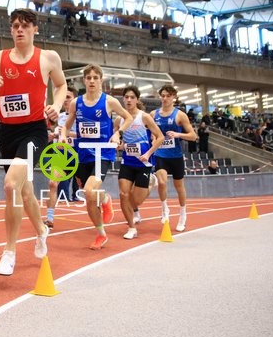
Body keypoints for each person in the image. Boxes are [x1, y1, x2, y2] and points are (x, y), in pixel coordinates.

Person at [0, 8, 67, 275]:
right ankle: (41, 230)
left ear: (35, 29)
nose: (18, 30)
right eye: (15, 26)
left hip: (34, 131)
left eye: (24, 26)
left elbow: (61, 85)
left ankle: (9, 252)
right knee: (25, 191)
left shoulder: (48, 57)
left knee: (10, 184)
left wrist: (56, 106)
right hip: (8, 132)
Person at [62, 64, 132, 250]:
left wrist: (118, 133)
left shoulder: (109, 101)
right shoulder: (76, 103)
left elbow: (128, 118)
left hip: (103, 152)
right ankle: (102, 229)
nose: (92, 81)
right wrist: (62, 135)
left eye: (95, 78)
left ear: (101, 80)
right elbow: (66, 126)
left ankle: (103, 218)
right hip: (83, 153)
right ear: (84, 81)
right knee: (90, 196)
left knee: (88, 190)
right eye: (88, 78)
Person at [117, 86, 164, 240]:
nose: (129, 100)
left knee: (135, 201)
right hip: (127, 162)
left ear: (137, 99)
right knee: (123, 195)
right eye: (126, 97)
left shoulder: (144, 117)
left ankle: (151, 181)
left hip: (144, 163)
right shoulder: (119, 119)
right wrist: (119, 145)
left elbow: (160, 137)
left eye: (132, 97)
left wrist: (148, 153)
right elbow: (117, 138)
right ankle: (131, 227)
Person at [151, 85, 198, 232]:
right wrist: (153, 139)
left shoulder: (180, 115)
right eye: (163, 96)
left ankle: (183, 214)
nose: (165, 98)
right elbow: (151, 133)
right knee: (162, 182)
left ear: (174, 98)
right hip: (160, 154)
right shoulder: (153, 114)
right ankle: (165, 208)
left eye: (168, 96)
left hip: (175, 156)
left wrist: (178, 134)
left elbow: (193, 136)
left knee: (179, 187)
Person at [43, 85, 77, 229]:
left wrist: (65, 133)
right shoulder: (60, 117)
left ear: (75, 99)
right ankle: (50, 218)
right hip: (61, 155)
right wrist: (53, 136)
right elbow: (57, 134)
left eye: (68, 97)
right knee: (52, 183)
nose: (65, 100)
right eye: (64, 98)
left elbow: (84, 135)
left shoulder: (80, 117)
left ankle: (103, 201)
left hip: (78, 155)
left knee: (86, 188)